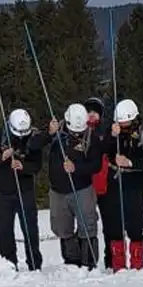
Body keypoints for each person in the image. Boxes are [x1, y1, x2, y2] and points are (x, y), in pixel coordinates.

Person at [29, 103, 101, 268]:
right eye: (74, 130)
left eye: (79, 130)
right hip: (58, 191)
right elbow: (33, 145)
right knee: (62, 227)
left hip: (82, 188)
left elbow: (96, 165)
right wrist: (49, 133)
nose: (77, 133)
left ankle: (89, 262)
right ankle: (71, 262)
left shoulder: (91, 137)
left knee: (88, 225)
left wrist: (77, 169)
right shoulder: (56, 130)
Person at [0, 108, 43, 271]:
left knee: (30, 229)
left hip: (24, 191)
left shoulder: (33, 138)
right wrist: (1, 157)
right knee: (4, 231)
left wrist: (23, 167)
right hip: (2, 192)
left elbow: (37, 165)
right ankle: (9, 264)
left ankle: (34, 264)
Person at [105, 99, 143, 271]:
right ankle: (118, 264)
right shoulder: (113, 131)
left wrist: (131, 162)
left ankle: (137, 263)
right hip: (115, 181)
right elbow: (103, 148)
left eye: (126, 123)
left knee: (135, 224)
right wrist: (113, 136)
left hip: (135, 182)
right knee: (115, 224)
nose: (123, 126)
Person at [83, 97, 113, 270]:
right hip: (86, 184)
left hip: (106, 185)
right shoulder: (80, 131)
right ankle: (88, 260)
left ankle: (111, 258)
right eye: (89, 111)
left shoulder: (107, 130)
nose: (92, 114)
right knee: (88, 223)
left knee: (109, 224)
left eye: (95, 111)